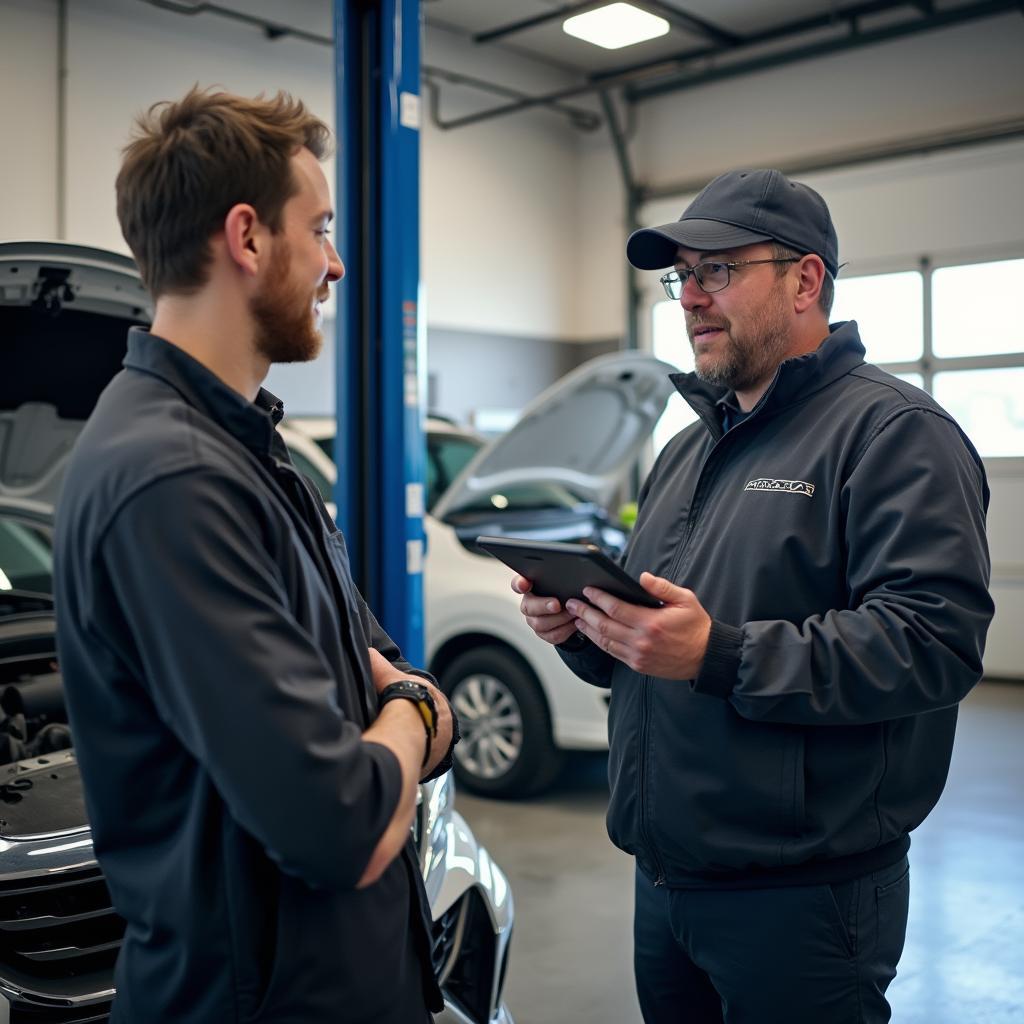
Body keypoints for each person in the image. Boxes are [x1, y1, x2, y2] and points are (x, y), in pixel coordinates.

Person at [514, 168, 993, 1023]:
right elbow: (657, 647)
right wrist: (582, 628)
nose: (691, 298)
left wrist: (720, 653)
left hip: (804, 899)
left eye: (718, 272)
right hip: (665, 883)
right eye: (682, 277)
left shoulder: (894, 436)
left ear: (805, 280)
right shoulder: (685, 452)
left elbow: (933, 643)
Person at [53, 88, 454, 1024]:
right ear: (247, 237)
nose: (337, 263)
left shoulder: (247, 450)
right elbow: (341, 824)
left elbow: (367, 669)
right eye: (318, 228)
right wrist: (417, 708)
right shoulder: (174, 480)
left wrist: (393, 706)